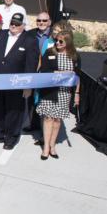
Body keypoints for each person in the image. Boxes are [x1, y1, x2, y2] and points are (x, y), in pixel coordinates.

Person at [0, 13, 40, 150]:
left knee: (14, 111)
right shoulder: (2, 35)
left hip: (16, 84)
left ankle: (11, 138)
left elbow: (31, 65)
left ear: (23, 25)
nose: (14, 26)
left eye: (17, 24)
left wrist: (28, 86)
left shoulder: (30, 40)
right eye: (12, 23)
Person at [36, 31, 81, 160]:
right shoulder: (50, 52)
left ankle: (52, 145)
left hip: (64, 92)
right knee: (48, 118)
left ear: (68, 42)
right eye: (56, 40)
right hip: (50, 90)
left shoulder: (75, 56)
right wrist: (61, 72)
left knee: (57, 120)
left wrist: (77, 93)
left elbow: (78, 77)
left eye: (61, 41)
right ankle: (45, 147)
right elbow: (43, 70)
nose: (57, 43)